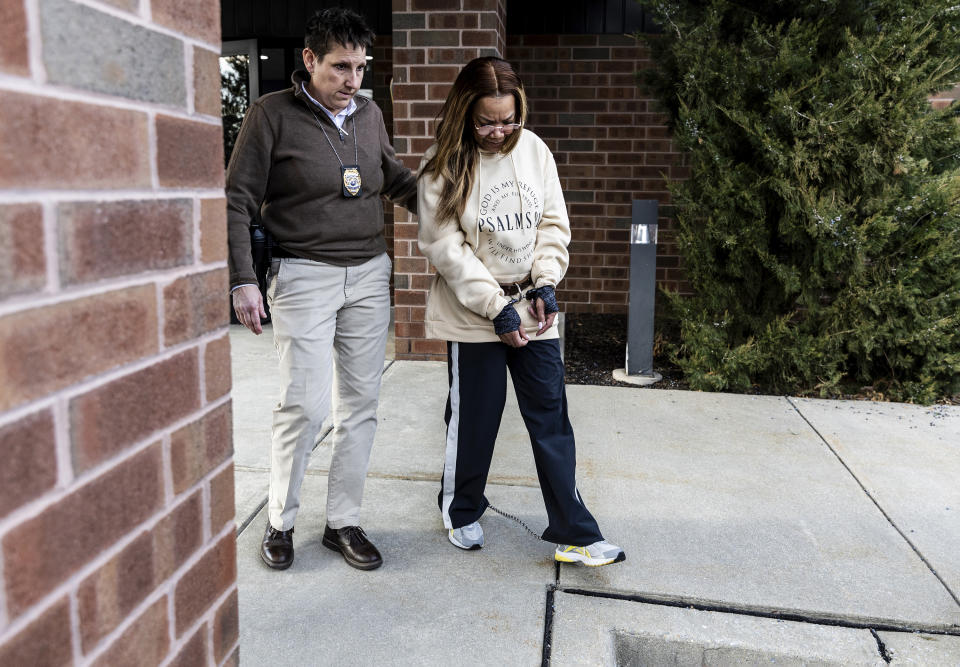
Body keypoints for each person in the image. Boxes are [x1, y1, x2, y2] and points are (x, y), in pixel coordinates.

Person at [227, 8, 417, 571]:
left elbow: (395, 179)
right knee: (303, 407)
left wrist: (450, 203)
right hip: (303, 275)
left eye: (361, 67)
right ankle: (280, 521)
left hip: (367, 274)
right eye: (340, 67)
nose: (352, 80)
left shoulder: (369, 113)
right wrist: (243, 279)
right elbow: (237, 198)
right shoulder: (271, 115)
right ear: (309, 60)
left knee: (361, 406)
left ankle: (343, 522)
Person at [416, 57, 625, 567]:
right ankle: (461, 508)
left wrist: (547, 284)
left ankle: (576, 531)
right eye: (486, 121)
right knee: (476, 420)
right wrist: (496, 309)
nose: (498, 131)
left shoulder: (534, 151)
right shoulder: (444, 167)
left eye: (508, 119)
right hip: (474, 312)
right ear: (465, 113)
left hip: (533, 305)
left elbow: (553, 225)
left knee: (551, 418)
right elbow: (446, 249)